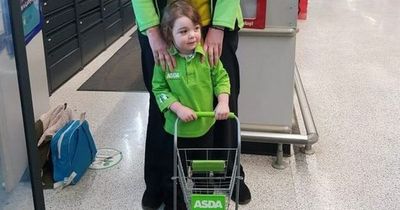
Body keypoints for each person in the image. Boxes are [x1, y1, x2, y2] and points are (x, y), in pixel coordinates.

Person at [131, 0, 251, 209]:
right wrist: (152, 31)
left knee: (223, 100)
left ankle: (229, 173)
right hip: (164, 23)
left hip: (214, 19)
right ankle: (160, 180)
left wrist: (219, 25)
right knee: (162, 102)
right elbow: (161, 93)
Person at [152, 2, 230, 208]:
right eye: (184, 31)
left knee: (203, 172)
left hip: (204, 129)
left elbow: (222, 79)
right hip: (175, 131)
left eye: (196, 28)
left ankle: (203, 200)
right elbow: (159, 90)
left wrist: (223, 101)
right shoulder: (164, 61)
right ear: (169, 35)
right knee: (173, 172)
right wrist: (177, 107)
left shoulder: (207, 56)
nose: (193, 35)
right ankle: (174, 203)